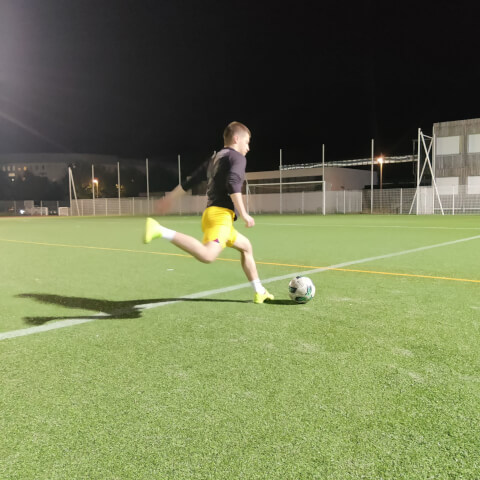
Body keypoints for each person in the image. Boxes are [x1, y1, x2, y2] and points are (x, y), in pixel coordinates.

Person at [143, 121, 274, 304]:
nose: (248, 148)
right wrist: (244, 214)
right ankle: (160, 230)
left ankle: (259, 291)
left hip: (214, 216)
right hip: (220, 217)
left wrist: (170, 198)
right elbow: (233, 183)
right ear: (236, 139)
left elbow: (191, 181)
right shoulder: (237, 157)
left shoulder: (215, 158)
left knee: (246, 247)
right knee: (208, 255)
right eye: (247, 142)